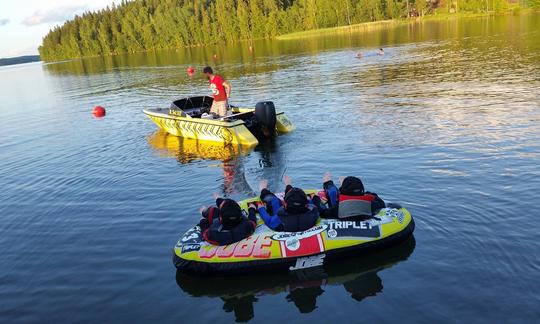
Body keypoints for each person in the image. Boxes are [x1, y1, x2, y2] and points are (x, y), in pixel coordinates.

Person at [254, 176, 321, 232]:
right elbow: (313, 205)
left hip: (286, 222)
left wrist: (261, 208)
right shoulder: (313, 212)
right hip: (302, 216)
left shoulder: (281, 216)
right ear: (306, 205)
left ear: (285, 204)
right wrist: (312, 198)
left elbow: (269, 221)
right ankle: (288, 185)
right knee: (297, 197)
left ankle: (263, 189)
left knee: (274, 201)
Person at [319, 172, 385, 219]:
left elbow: (323, 214)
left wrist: (319, 201)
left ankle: (328, 182)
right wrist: (369, 194)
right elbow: (382, 203)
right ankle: (338, 184)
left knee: (332, 192)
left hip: (341, 205)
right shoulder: (371, 205)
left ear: (342, 193)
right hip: (361, 203)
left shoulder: (337, 208)